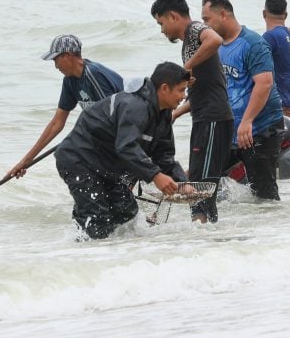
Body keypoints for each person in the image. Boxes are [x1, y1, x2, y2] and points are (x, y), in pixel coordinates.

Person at [54, 62, 190, 240]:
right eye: (181, 90)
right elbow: (126, 146)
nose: (184, 96)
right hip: (78, 160)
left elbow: (164, 156)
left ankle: (121, 256)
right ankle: (81, 255)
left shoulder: (163, 114)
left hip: (105, 166)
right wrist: (156, 176)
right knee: (97, 219)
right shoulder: (135, 106)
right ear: (164, 88)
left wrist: (182, 182)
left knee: (127, 212)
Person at [150, 0, 234, 224]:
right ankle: (205, 239)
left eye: (161, 23)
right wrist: (176, 112)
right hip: (205, 117)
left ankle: (204, 239)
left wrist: (184, 70)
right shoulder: (188, 41)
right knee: (198, 186)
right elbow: (204, 86)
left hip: (213, 119)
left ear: (173, 16)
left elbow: (215, 40)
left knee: (200, 190)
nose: (162, 29)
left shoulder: (195, 29)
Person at [201, 0, 284, 201]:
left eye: (206, 19)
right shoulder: (217, 47)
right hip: (232, 129)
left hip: (260, 129)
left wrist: (247, 121)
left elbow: (264, 83)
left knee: (264, 194)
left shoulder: (252, 43)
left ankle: (274, 231)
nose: (205, 25)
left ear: (223, 15)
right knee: (206, 177)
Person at [8, 35, 123, 179]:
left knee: (70, 155)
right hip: (107, 139)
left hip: (127, 135)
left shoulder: (93, 74)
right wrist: (26, 161)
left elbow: (114, 118)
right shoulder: (70, 81)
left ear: (67, 55)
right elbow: (56, 124)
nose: (55, 66)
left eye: (56, 60)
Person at [262, 0, 290, 119]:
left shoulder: (269, 37)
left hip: (281, 102)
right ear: (285, 15)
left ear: (264, 14)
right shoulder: (288, 34)